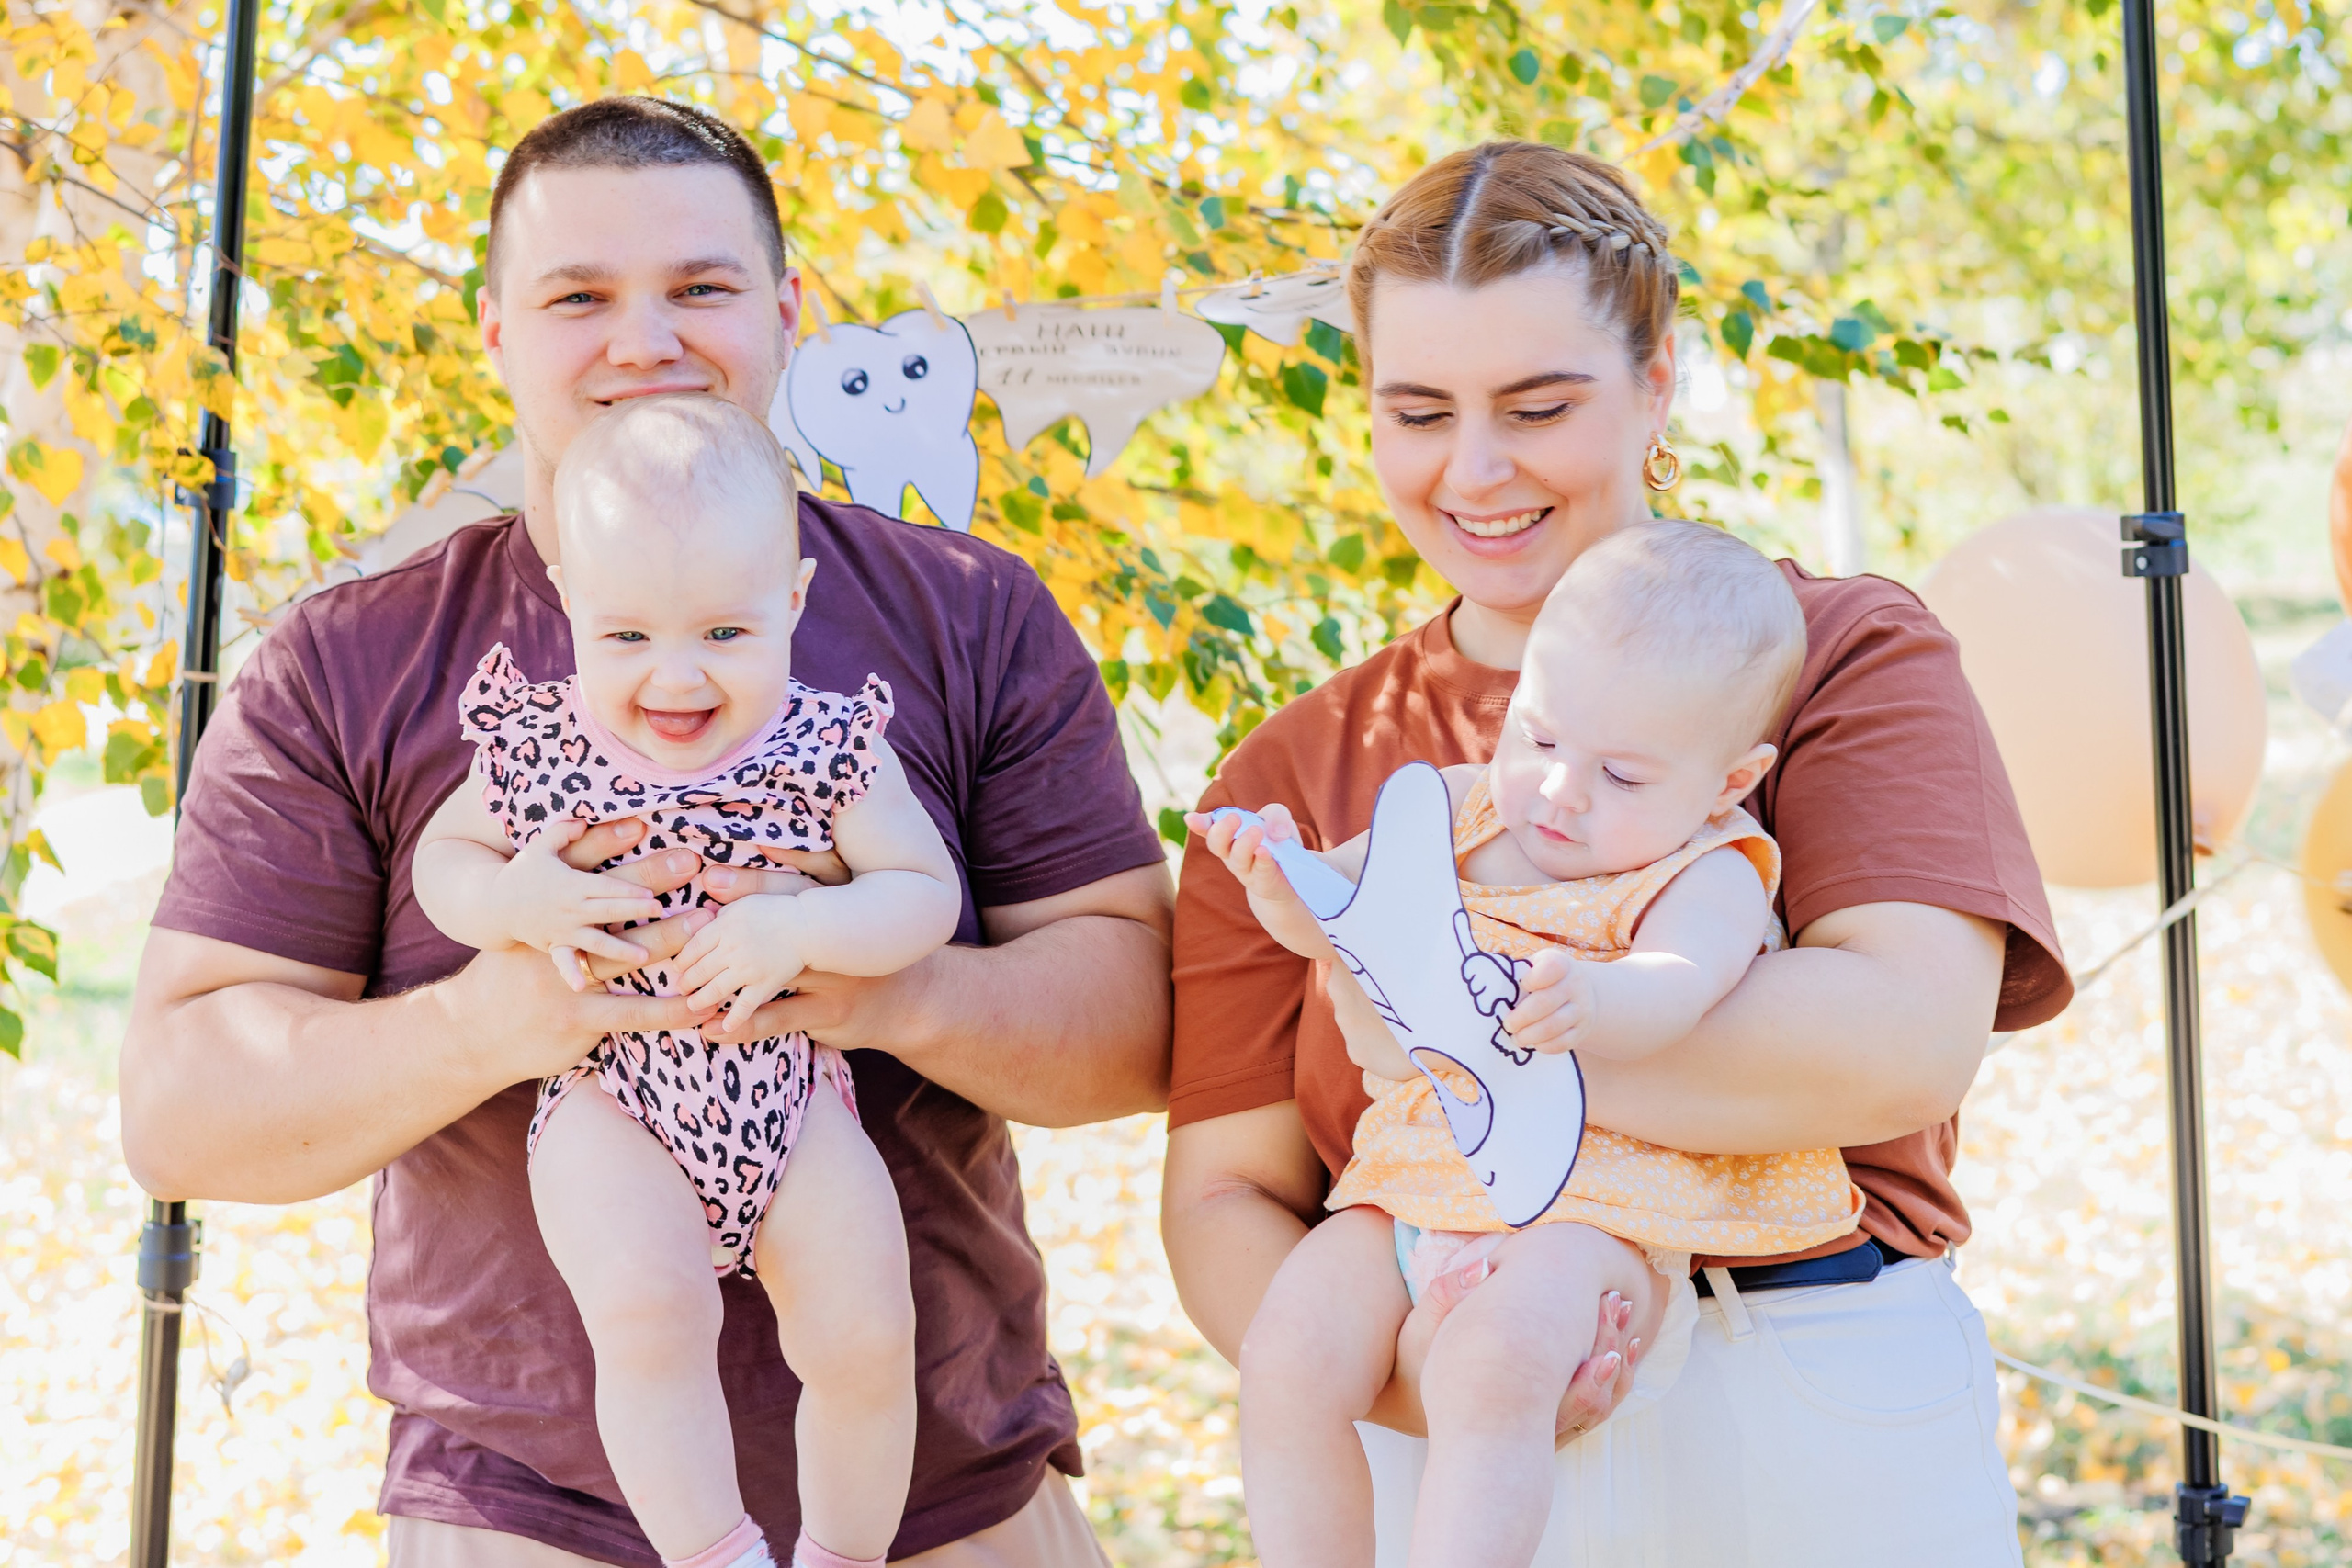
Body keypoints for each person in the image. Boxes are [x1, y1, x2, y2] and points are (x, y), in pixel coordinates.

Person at [120, 96, 1171, 1567]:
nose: (643, 340)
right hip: (520, 1515)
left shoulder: (968, 614)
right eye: (579, 297)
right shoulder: (352, 662)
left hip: (951, 1503)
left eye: (699, 288)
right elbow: (177, 1107)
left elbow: (1144, 1026)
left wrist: (890, 984)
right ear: (496, 331)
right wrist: (497, 1015)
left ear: (789, 312)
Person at [1163, 141, 2068, 1566]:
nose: (1474, 469)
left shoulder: (1837, 658)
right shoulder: (1300, 768)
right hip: (1433, 1400)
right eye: (1417, 410)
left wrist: (1433, 1031)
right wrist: (1472, 1381)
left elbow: (1894, 1042)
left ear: (1657, 382)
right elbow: (1225, 1194)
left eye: (1538, 404)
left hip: (1799, 1382)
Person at [1193, 524, 1865, 1568]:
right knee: (1285, 1352)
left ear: (1729, 781)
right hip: (1413, 1184)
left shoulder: (1706, 870)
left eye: (1624, 776)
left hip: (1591, 1209)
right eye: (1541, 741)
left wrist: (1598, 997)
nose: (1561, 792)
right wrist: (1285, 880)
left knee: (1495, 1370)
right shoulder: (1458, 809)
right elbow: (1349, 922)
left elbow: (1685, 984)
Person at [413, 394, 966, 1568]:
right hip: (613, 1099)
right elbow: (444, 865)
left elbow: (924, 897)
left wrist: (808, 924)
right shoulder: (543, 747)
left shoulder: (829, 748)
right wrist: (516, 901)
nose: (677, 679)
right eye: (628, 638)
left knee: (869, 1330)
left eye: (724, 634)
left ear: (794, 604)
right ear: (569, 604)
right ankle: (714, 1555)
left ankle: (841, 1554)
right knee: (648, 1312)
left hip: (789, 1096)